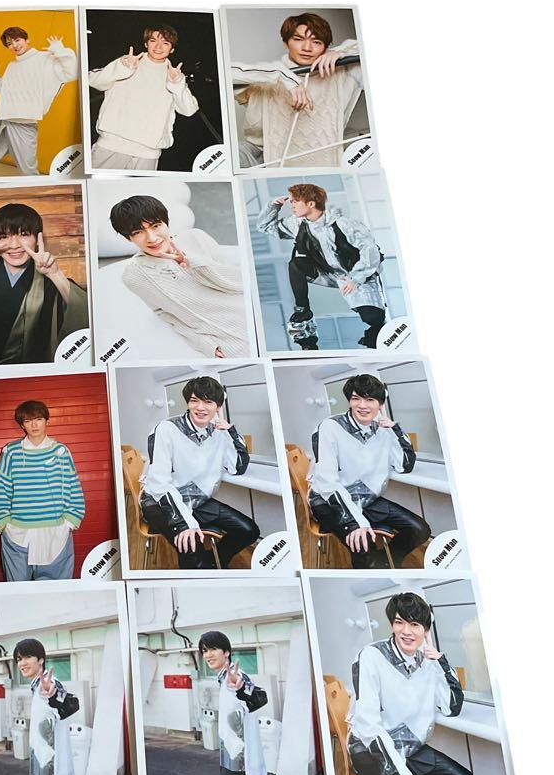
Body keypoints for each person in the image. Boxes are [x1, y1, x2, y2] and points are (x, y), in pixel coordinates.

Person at [347, 592, 479, 775]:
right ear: (392, 624)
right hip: (370, 749)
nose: (406, 631)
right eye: (400, 622)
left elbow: (451, 708)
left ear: (426, 631)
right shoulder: (371, 655)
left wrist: (441, 662)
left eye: (415, 624)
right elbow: (367, 724)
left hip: (409, 745)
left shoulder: (427, 662)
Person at [308, 373, 430, 569]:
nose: (362, 405)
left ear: (380, 404)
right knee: (364, 547)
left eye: (370, 400)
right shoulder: (329, 427)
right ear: (349, 401)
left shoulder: (383, 430)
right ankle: (374, 568)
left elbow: (404, 465)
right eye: (356, 398)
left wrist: (395, 429)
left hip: (365, 498)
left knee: (420, 530)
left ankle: (385, 564)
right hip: (329, 501)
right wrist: (355, 523)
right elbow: (327, 483)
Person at [0, 202, 89, 367]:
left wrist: (55, 275)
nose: (14, 245)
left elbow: (85, 314)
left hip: (22, 371)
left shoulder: (49, 281)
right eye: (4, 236)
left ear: (37, 239)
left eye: (24, 234)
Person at [139, 375, 259, 569]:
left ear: (218, 407)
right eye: (195, 400)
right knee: (194, 556)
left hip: (195, 499)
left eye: (208, 402)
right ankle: (202, 568)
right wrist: (183, 524)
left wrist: (231, 432)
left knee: (249, 530)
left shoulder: (218, 432)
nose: (200, 407)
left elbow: (237, 467)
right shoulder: (167, 429)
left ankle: (213, 563)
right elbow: (159, 483)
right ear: (188, 402)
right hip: (159, 502)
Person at [110, 194, 250, 358]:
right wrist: (204, 344)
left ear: (166, 223)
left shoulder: (195, 237)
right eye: (138, 232)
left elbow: (238, 283)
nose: (152, 238)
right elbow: (164, 313)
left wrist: (191, 262)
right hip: (229, 343)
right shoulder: (134, 275)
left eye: (155, 226)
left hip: (251, 312)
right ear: (129, 238)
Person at [256, 183, 387, 350]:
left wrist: (357, 278)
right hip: (328, 273)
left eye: (296, 201)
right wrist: (273, 206)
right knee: (296, 264)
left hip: (356, 275)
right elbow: (265, 227)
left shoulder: (344, 224)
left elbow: (370, 249)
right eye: (291, 201)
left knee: (373, 318)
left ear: (311, 203)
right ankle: (303, 310)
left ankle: (375, 328)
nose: (292, 205)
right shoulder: (298, 223)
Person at [230, 11, 363, 169]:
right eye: (298, 39)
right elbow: (223, 72)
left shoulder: (344, 73)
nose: (307, 48)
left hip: (327, 167)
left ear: (325, 47)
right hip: (274, 166)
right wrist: (283, 76)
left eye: (316, 42)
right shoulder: (264, 80)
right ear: (286, 43)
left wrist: (342, 51)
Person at [0, 400, 85, 581]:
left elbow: (74, 485)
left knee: (56, 590)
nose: (34, 425)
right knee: (18, 589)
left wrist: (70, 522)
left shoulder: (61, 452)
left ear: (46, 421)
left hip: (55, 532)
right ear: (22, 425)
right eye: (28, 421)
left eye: (38, 419)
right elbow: (1, 487)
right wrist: (4, 523)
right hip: (17, 534)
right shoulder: (10, 452)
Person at [0, 26, 78, 178]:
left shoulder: (46, 59)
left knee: (28, 170)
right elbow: (1, 91)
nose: (14, 45)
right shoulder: (12, 66)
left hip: (24, 123)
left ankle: (34, 193)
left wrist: (61, 51)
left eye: (17, 40)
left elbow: (72, 73)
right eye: (9, 43)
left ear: (27, 40)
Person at [88, 24, 199, 171]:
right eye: (153, 40)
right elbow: (93, 80)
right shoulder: (128, 62)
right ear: (146, 43)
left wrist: (177, 84)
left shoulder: (174, 75)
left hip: (148, 152)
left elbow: (189, 110)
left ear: (172, 49)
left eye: (165, 43)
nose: (158, 46)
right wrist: (122, 68)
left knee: (140, 187)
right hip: (112, 144)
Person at [200, 630, 268, 775]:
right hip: (229, 756)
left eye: (213, 649)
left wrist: (240, 688)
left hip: (240, 760)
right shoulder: (222, 678)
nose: (207, 655)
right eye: (204, 650)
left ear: (227, 652)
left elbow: (257, 697)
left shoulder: (236, 676)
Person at [13, 638, 79, 775]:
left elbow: (66, 704)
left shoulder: (49, 684)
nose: (22, 663)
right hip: (39, 764)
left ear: (41, 659)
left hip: (49, 769)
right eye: (19, 659)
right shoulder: (34, 687)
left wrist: (53, 695)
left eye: (27, 657)